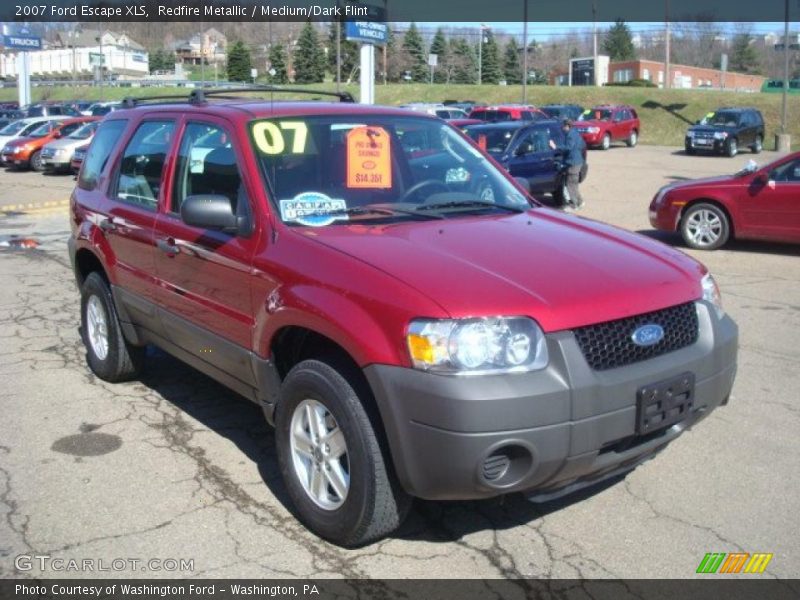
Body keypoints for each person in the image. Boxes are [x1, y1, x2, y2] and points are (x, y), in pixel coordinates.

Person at [549, 118, 586, 209]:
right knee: (574, 184)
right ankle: (580, 202)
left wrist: (555, 147)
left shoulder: (570, 135)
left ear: (567, 126)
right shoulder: (576, 133)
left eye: (563, 126)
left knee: (570, 184)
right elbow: (582, 145)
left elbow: (568, 147)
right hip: (577, 161)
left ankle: (574, 203)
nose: (562, 128)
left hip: (573, 163)